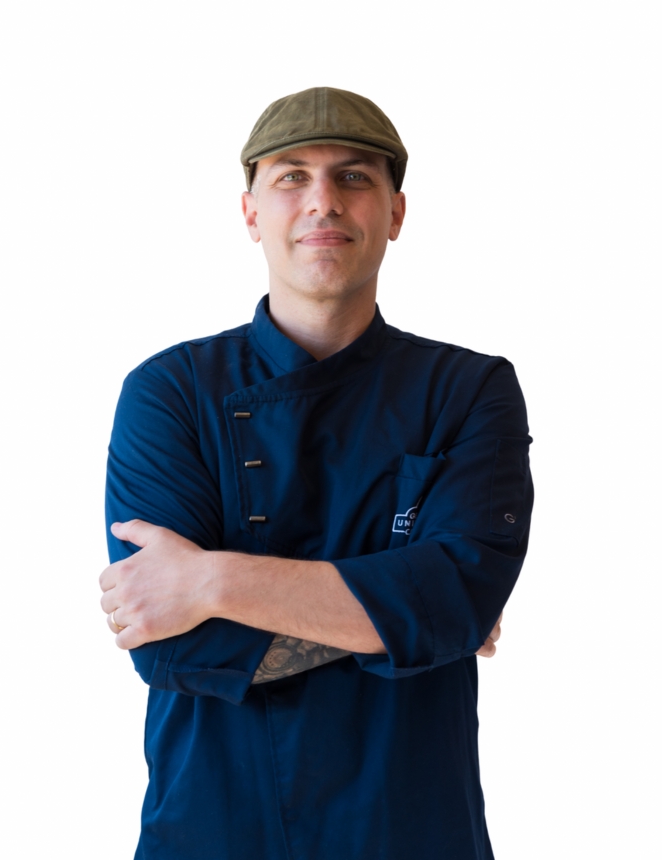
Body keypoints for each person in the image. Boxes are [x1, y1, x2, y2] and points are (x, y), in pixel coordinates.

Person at [100, 86, 533, 860]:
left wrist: (210, 582)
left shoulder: (468, 390)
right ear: (250, 212)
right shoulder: (170, 393)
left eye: (354, 176)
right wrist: (415, 607)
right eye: (292, 176)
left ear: (396, 212)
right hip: (212, 832)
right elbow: (167, 649)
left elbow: (460, 601)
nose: (323, 200)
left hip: (410, 831)